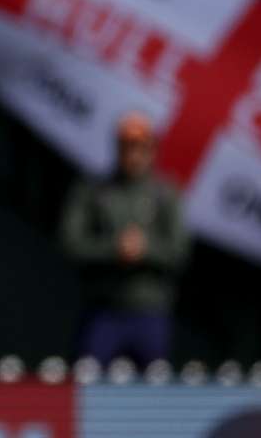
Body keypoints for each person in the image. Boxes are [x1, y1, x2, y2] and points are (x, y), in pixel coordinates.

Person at [60, 111, 190, 368]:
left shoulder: (165, 193)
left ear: (152, 149)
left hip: (149, 312)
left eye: (141, 146)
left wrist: (145, 249)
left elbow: (179, 252)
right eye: (127, 146)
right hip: (104, 309)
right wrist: (114, 248)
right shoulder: (95, 190)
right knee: (87, 377)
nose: (134, 154)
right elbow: (71, 243)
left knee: (154, 387)